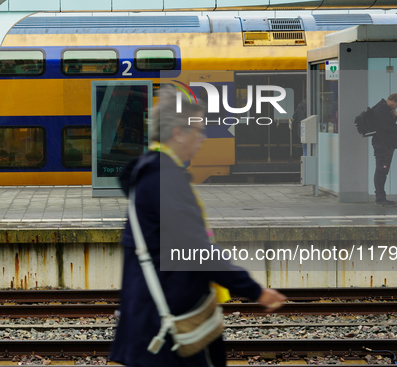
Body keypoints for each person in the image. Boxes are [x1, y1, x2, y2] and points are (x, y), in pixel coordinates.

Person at [110, 87, 286, 367]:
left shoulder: (150, 171)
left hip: (153, 311)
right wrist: (254, 290)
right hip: (173, 320)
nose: (202, 138)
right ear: (178, 132)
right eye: (198, 130)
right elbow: (195, 247)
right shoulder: (164, 178)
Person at [372, 93, 397, 207]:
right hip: (383, 144)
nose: (396, 107)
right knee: (382, 170)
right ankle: (380, 198)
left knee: (382, 170)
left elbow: (385, 125)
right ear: (393, 101)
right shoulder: (383, 109)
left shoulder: (381, 107)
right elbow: (386, 127)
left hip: (383, 143)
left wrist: (394, 117)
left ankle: (380, 197)